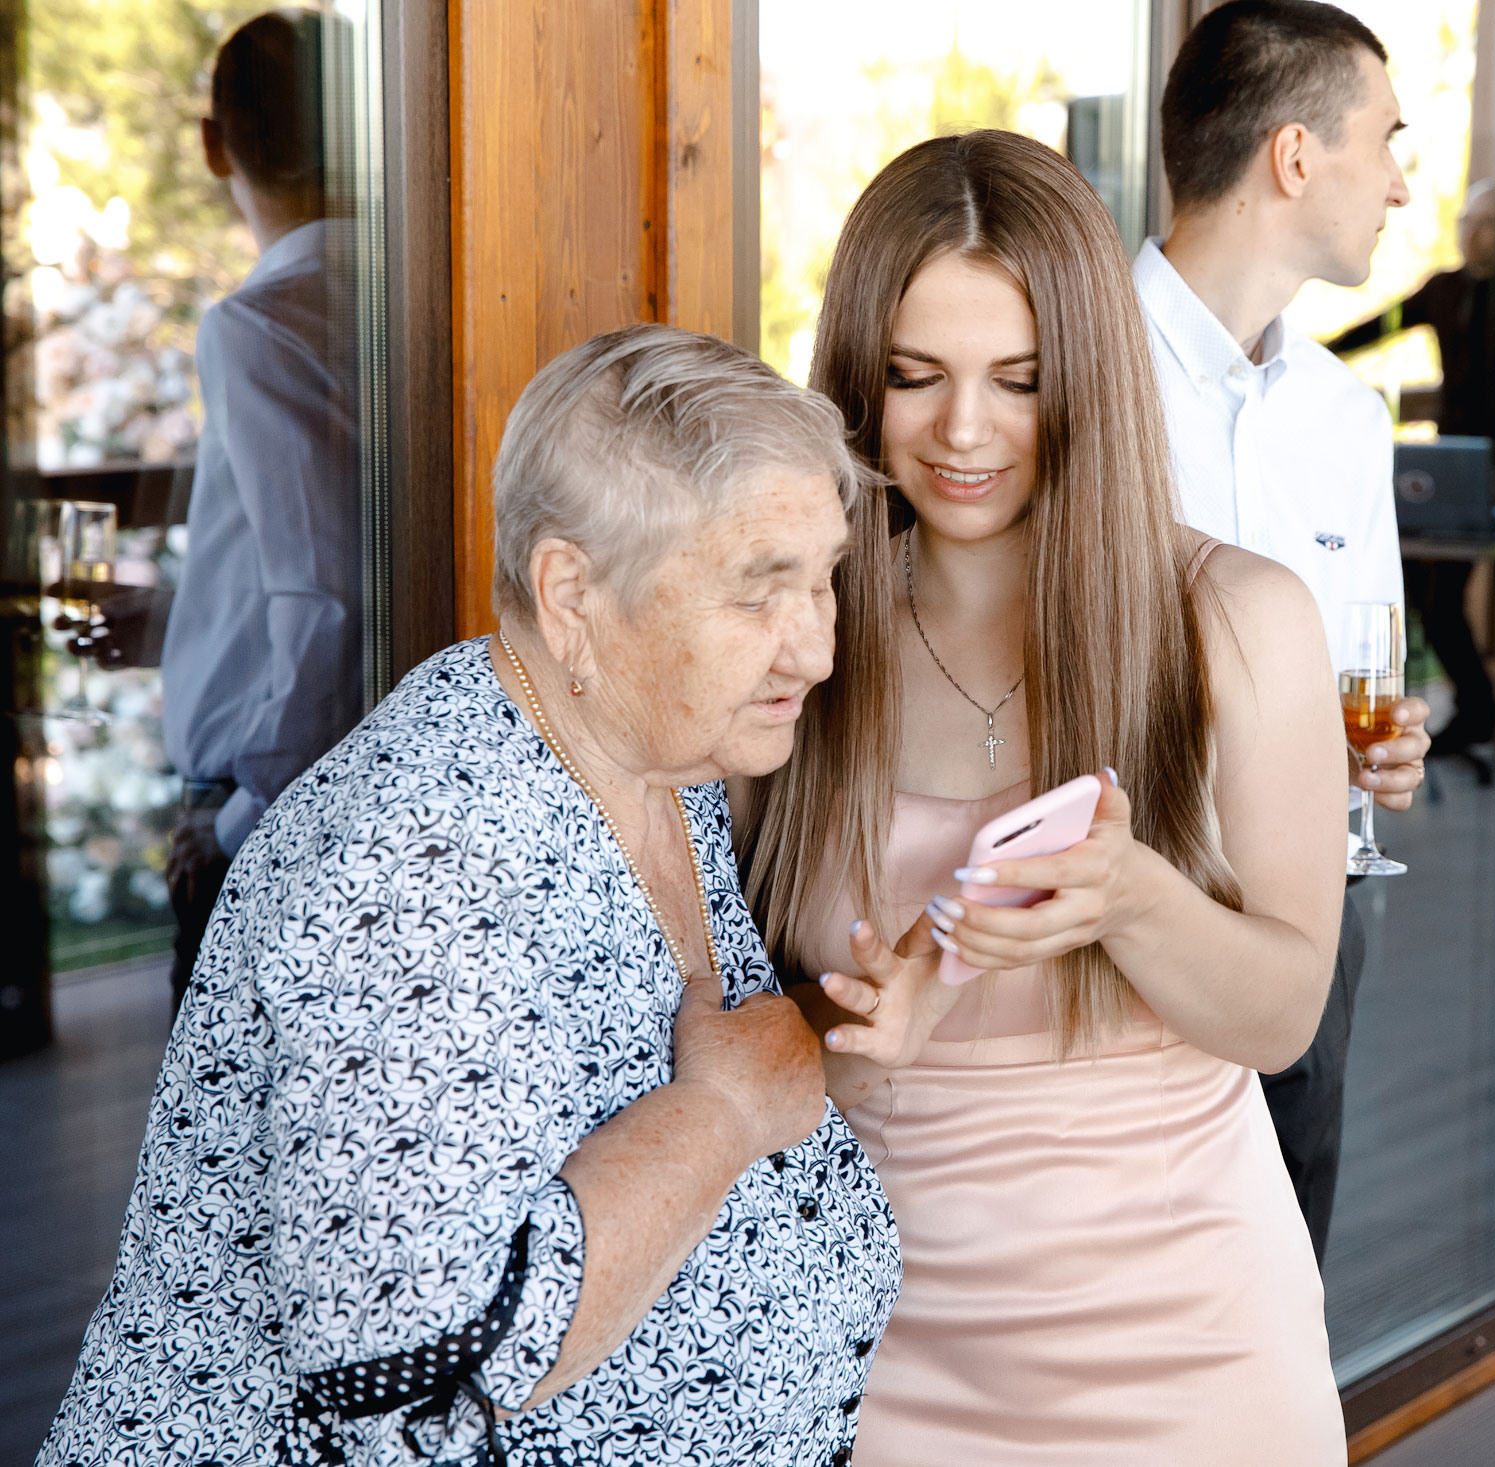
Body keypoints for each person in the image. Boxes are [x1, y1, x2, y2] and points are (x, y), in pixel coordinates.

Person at [40, 326, 900, 1466]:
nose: (818, 649)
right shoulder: (411, 867)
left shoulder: (651, 755)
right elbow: (418, 1366)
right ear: (572, 595)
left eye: (823, 578)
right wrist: (726, 1116)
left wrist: (829, 1030)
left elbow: (628, 1063)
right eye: (758, 595)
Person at [739, 130, 1349, 1463]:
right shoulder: (797, 644)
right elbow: (740, 1037)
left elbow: (1283, 1014)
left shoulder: (1242, 620)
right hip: (884, 1336)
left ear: (1090, 381)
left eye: (1019, 380)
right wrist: (845, 1037)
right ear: (858, 377)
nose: (964, 431)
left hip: (1197, 1342)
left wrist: (1133, 897)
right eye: (916, 376)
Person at [1135, 0, 1431, 1266]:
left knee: (1277, 1282)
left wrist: (1390, 743)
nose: (1402, 185)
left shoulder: (1345, 418)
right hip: (1122, 923)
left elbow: (1368, 672)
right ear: (1296, 156)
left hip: (1316, 916)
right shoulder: (1069, 376)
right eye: (1388, 142)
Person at [160, 10, 363, 1009]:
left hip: (270, 809)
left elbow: (326, 597)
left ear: (213, 146)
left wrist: (236, 825)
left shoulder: (261, 324)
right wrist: (167, 622)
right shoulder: (414, 292)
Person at [1327, 180, 1495, 763]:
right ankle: (1479, 710)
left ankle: (1485, 712)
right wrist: (1304, 353)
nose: (1474, 232)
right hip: (1455, 463)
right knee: (1433, 596)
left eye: (1488, 223)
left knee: (1476, 598)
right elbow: (1381, 327)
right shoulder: (1445, 289)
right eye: (1468, 220)